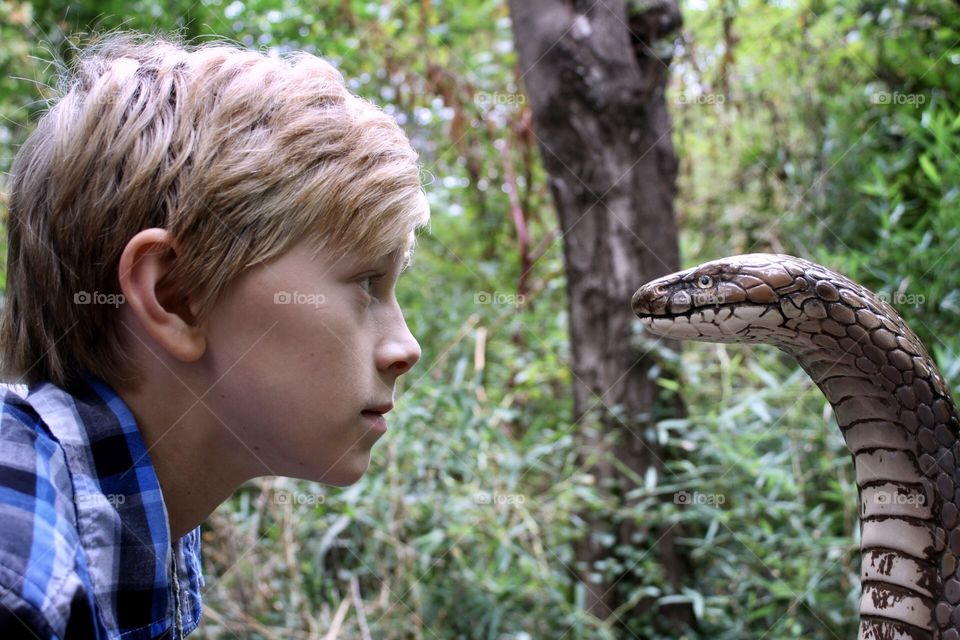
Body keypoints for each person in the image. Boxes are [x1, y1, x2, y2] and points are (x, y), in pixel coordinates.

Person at [0, 33, 428, 638]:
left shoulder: (141, 520)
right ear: (175, 297)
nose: (405, 348)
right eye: (364, 283)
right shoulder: (19, 581)